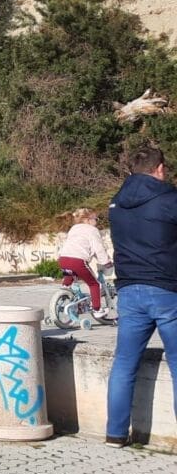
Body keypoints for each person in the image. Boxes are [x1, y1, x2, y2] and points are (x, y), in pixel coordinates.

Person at [105, 146, 177, 447]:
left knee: (124, 364)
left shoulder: (116, 204)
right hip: (167, 290)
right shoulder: (170, 199)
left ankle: (115, 434)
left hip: (129, 291)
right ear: (159, 168)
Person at [58, 208, 114, 322]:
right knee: (94, 284)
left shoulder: (74, 228)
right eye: (96, 219)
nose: (97, 221)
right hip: (78, 261)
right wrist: (106, 262)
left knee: (70, 277)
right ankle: (97, 310)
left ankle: (64, 292)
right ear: (88, 220)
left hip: (63, 259)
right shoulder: (92, 230)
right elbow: (99, 249)